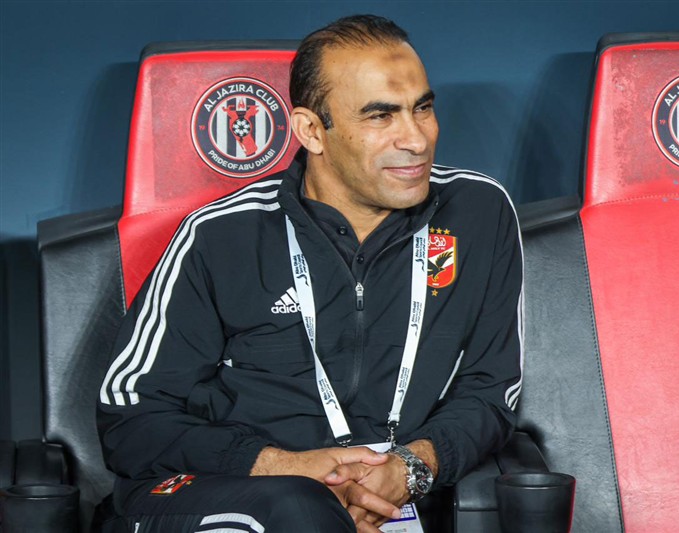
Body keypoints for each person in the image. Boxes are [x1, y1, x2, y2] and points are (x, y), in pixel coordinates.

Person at [97, 14, 523, 533]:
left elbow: (491, 392)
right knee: (297, 508)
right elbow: (130, 419)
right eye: (380, 116)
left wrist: (409, 468)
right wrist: (284, 467)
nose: (415, 139)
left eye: (423, 108)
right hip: (233, 489)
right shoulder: (220, 235)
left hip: (392, 498)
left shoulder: (478, 212)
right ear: (311, 131)